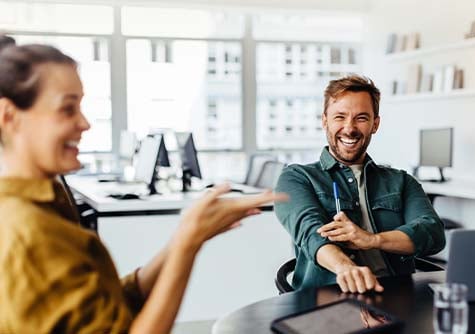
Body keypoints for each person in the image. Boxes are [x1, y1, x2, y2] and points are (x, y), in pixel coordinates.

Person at [0, 42, 287, 333]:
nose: (84, 123)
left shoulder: (43, 207)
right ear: (9, 116)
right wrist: (187, 244)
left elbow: (109, 304)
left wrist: (185, 239)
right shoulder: (29, 232)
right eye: (67, 108)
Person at [274, 75, 445, 293]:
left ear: (375, 124)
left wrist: (371, 240)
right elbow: (310, 233)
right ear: (324, 121)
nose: (349, 128)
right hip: (329, 302)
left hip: (396, 297)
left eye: (361, 118)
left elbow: (432, 233)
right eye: (340, 117)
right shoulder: (297, 177)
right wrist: (346, 268)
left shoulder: (402, 181)